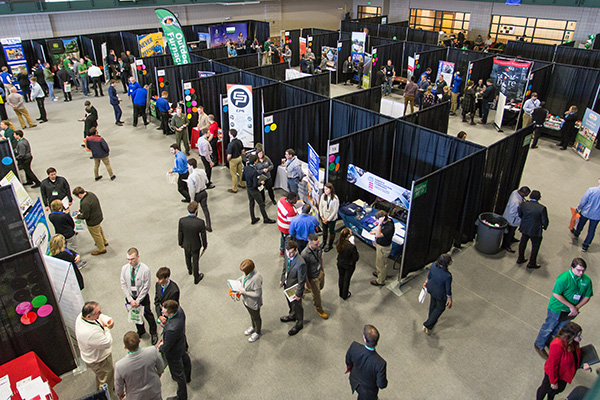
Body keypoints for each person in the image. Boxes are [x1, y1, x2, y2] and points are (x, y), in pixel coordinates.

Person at [534, 258, 593, 359]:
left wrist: (577, 307)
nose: (581, 273)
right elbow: (556, 294)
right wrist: (572, 307)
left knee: (560, 328)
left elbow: (587, 296)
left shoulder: (586, 280)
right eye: (578, 270)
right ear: (572, 267)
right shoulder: (563, 278)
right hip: (557, 308)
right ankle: (539, 345)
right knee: (549, 326)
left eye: (583, 270)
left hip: (571, 311)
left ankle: (549, 341)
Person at [535, 322, 591, 400]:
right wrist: (553, 382)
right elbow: (552, 365)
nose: (581, 337)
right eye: (578, 335)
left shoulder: (573, 343)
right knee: (545, 389)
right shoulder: (557, 345)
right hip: (554, 375)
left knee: (553, 392)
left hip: (563, 375)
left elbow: (575, 356)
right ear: (570, 336)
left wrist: (581, 365)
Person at [75, 301, 115, 394]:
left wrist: (107, 320)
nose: (100, 314)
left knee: (102, 376)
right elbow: (107, 342)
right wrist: (107, 328)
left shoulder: (81, 316)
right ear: (89, 316)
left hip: (93, 356)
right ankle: (105, 395)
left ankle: (108, 385)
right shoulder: (90, 333)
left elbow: (100, 317)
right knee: (105, 378)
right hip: (99, 360)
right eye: (98, 313)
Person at [120, 248, 158, 345]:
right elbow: (123, 284)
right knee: (135, 315)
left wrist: (138, 300)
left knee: (147, 314)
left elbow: (146, 286)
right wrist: (130, 300)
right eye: (128, 259)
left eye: (132, 259)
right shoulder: (124, 268)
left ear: (138, 257)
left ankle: (153, 332)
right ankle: (141, 331)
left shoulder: (145, 269)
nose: (130, 261)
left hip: (142, 297)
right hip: (130, 298)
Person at [114, 331, 163, 400]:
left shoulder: (119, 366)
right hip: (154, 391)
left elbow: (118, 386)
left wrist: (120, 394)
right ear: (139, 341)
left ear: (125, 347)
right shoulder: (152, 351)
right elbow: (161, 368)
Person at [159, 300, 192, 400]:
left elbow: (167, 346)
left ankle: (182, 397)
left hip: (174, 352)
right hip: (180, 343)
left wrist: (160, 347)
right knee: (185, 358)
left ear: (171, 313)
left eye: (164, 310)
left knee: (178, 376)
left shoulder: (171, 329)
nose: (162, 311)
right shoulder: (180, 311)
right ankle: (188, 376)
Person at [345, 325, 387, 400]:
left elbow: (348, 361)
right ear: (377, 342)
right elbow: (381, 384)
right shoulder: (380, 363)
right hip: (368, 391)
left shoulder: (354, 346)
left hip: (354, 380)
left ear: (364, 338)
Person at [279, 240, 306, 336]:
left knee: (297, 306)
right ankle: (292, 315)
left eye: (291, 252)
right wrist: (282, 279)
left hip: (295, 288)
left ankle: (299, 323)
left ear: (296, 250)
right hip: (287, 285)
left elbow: (302, 280)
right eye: (288, 252)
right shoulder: (286, 254)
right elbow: (284, 267)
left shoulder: (300, 263)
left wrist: (299, 294)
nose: (289, 254)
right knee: (290, 303)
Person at [517, 190, 549, 269]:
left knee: (523, 243)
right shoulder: (542, 208)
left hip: (525, 227)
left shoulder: (523, 204)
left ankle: (520, 258)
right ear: (539, 198)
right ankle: (532, 263)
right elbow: (544, 221)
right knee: (535, 246)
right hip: (535, 230)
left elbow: (520, 214)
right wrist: (544, 226)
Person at [422, 254, 453, 334]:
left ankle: (431, 321)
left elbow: (429, 276)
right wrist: (450, 299)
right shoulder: (447, 276)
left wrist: (426, 282)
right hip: (440, 294)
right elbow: (448, 289)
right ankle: (428, 324)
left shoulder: (433, 265)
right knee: (440, 308)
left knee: (433, 304)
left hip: (431, 289)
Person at [178, 201, 208, 284]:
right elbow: (203, 236)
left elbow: (180, 233)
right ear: (196, 210)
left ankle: (189, 270)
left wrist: (180, 243)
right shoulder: (200, 222)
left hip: (186, 243)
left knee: (187, 256)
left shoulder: (182, 221)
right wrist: (205, 245)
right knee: (195, 260)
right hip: (196, 244)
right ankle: (196, 276)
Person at [73, 186, 109, 256]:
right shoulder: (90, 194)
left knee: (96, 235)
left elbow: (85, 216)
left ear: (79, 194)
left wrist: (78, 216)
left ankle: (101, 249)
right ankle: (104, 241)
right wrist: (80, 211)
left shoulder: (84, 202)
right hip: (98, 216)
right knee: (99, 230)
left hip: (92, 221)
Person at [242, 154, 276, 225]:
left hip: (248, 189)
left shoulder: (246, 168)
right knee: (261, 204)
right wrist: (261, 182)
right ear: (255, 162)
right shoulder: (254, 171)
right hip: (254, 190)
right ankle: (265, 218)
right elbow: (255, 185)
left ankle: (253, 218)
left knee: (251, 204)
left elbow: (243, 178)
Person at [301, 234, 328, 319]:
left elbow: (321, 257)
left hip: (319, 272)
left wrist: (322, 269)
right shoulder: (305, 254)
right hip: (312, 277)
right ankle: (319, 309)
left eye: (318, 243)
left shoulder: (318, 248)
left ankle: (302, 290)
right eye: (316, 244)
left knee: (321, 287)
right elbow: (304, 271)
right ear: (310, 244)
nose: (318, 245)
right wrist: (307, 282)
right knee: (317, 294)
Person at [237, 259, 263, 343]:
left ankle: (257, 332)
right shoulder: (247, 273)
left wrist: (244, 292)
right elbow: (244, 278)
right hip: (246, 301)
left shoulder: (256, 279)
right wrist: (237, 281)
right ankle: (253, 327)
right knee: (251, 315)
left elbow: (257, 294)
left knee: (256, 317)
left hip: (253, 303)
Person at [571, 179, 600, 252]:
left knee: (580, 224)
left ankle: (577, 233)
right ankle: (585, 245)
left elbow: (583, 201)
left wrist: (578, 208)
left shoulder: (592, 190)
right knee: (591, 230)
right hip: (597, 215)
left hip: (586, 212)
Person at [501, 186, 531, 253]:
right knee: (509, 233)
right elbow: (512, 213)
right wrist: (522, 215)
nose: (527, 195)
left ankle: (512, 238)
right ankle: (505, 245)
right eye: (526, 194)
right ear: (523, 193)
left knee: (512, 231)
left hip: (513, 219)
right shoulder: (515, 202)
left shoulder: (515, 192)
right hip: (512, 220)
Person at [186, 158, 212, 231]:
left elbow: (192, 190)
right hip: (204, 192)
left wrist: (192, 199)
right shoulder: (202, 171)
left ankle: (194, 225)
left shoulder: (191, 176)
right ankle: (209, 226)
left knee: (194, 210)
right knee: (205, 209)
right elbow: (207, 181)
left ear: (191, 166)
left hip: (197, 194)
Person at [370, 211, 395, 287]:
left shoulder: (389, 227)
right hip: (380, 245)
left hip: (383, 248)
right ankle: (379, 273)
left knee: (381, 264)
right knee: (379, 262)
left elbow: (378, 235)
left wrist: (380, 224)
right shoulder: (387, 222)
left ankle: (380, 280)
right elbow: (379, 233)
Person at [337, 227, 359, 300]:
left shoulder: (339, 243)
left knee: (341, 277)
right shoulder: (351, 247)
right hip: (349, 265)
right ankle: (345, 294)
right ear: (348, 235)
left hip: (340, 263)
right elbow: (356, 258)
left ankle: (341, 293)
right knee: (347, 280)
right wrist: (354, 245)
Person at [319, 182, 339, 252]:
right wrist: (322, 216)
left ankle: (330, 245)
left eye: (327, 189)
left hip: (331, 219)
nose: (325, 191)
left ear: (331, 189)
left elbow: (335, 210)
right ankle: (324, 242)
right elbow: (320, 206)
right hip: (324, 217)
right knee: (324, 230)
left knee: (331, 231)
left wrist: (328, 219)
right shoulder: (323, 196)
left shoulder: (335, 198)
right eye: (324, 189)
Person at [277, 191, 299, 256]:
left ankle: (282, 250)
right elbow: (292, 224)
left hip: (280, 224)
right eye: (294, 200)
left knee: (282, 237)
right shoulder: (290, 210)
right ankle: (286, 255)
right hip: (286, 228)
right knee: (288, 241)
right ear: (289, 200)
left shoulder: (281, 200)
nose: (296, 201)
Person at [226, 129, 245, 193]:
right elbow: (242, 151)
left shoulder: (230, 144)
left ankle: (234, 188)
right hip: (239, 158)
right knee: (241, 172)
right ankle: (242, 184)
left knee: (234, 174)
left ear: (231, 135)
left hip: (233, 160)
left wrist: (228, 160)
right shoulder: (239, 141)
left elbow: (229, 155)